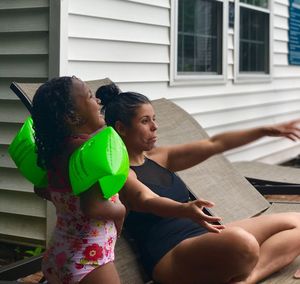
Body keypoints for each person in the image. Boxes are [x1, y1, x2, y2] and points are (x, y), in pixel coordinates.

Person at [96, 83, 300, 284]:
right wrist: (184, 209)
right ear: (121, 128)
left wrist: (264, 131)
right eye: (145, 121)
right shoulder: (119, 172)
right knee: (244, 244)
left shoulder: (159, 157)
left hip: (204, 236)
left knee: (297, 221)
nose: (155, 126)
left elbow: (215, 144)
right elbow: (145, 198)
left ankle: (247, 280)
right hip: (169, 255)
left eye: (154, 119)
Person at [31, 77, 126, 284]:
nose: (99, 102)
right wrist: (120, 211)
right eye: (91, 96)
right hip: (89, 259)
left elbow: (40, 189)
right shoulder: (85, 155)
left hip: (59, 253)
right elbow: (92, 207)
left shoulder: (56, 153)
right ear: (72, 117)